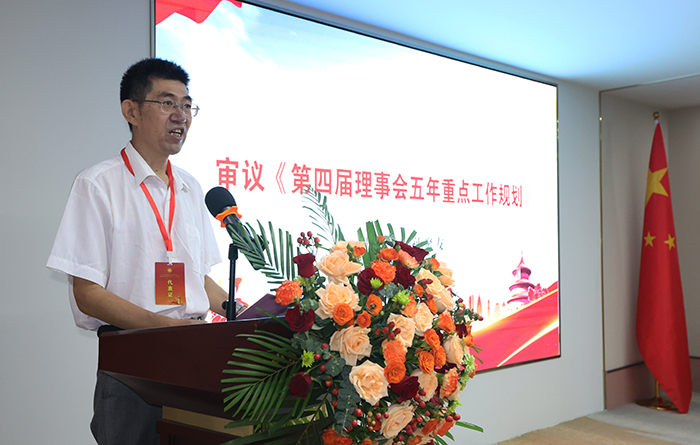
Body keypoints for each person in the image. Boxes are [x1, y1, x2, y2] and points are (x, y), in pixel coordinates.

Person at [47, 58, 229, 444]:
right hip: (133, 363)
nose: (180, 116)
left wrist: (243, 312)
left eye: (187, 105)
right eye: (167, 103)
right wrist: (166, 328)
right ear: (131, 111)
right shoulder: (98, 185)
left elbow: (199, 280)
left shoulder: (191, 188)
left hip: (196, 362)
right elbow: (87, 293)